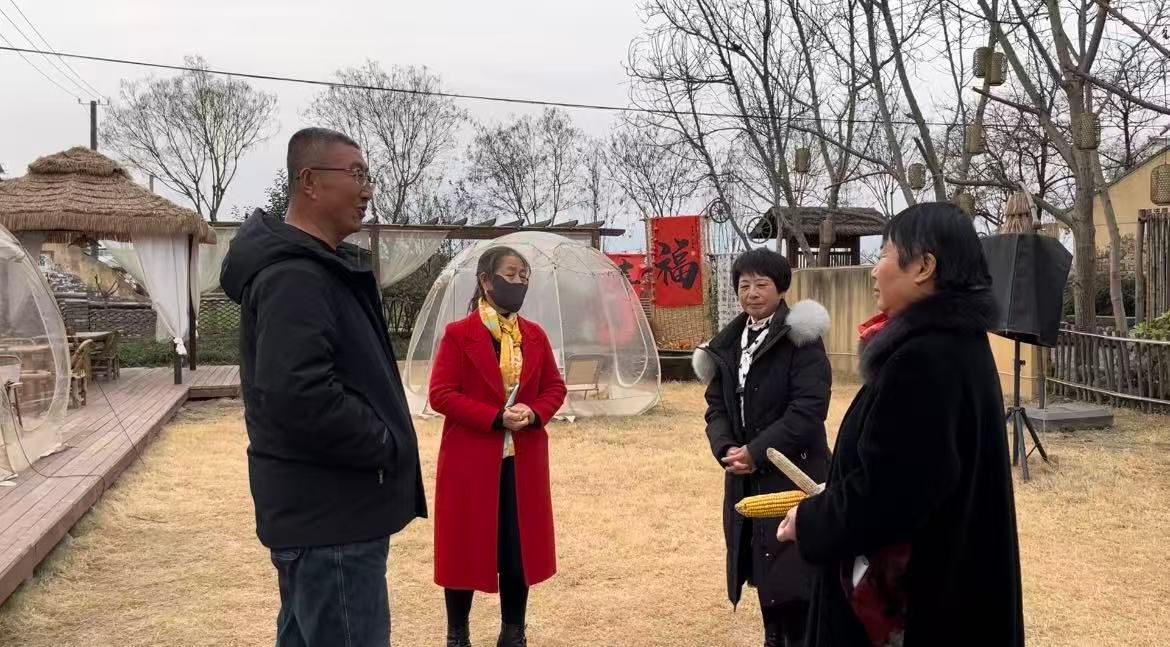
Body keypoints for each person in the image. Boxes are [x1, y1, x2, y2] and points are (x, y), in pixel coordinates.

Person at [777, 202, 1025, 647]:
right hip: (956, 591)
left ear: (924, 267)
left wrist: (810, 521)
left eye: (885, 254)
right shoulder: (958, 344)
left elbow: (889, 495)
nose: (874, 271)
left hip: (913, 607)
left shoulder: (923, 360)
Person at [221, 127, 426, 647]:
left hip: (324, 516)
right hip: (332, 520)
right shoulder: (296, 276)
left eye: (368, 176)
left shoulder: (312, 268)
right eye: (356, 174)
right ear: (309, 181)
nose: (367, 190)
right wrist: (381, 441)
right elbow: (299, 394)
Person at [692, 248, 832, 647]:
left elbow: (808, 409)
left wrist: (757, 451)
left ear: (781, 288)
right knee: (761, 566)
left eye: (761, 284)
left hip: (793, 473)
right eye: (744, 285)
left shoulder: (801, 338)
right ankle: (772, 637)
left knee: (794, 574)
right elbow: (716, 406)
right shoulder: (729, 343)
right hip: (745, 476)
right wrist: (725, 448)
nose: (752, 293)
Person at [428, 246, 568, 647]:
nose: (519, 282)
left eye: (525, 276)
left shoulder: (534, 335)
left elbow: (554, 388)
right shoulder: (460, 334)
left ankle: (513, 632)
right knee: (464, 546)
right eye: (511, 274)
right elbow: (441, 394)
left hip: (522, 460)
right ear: (486, 280)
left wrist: (534, 411)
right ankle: (457, 634)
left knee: (517, 546)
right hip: (470, 459)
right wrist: (494, 417)